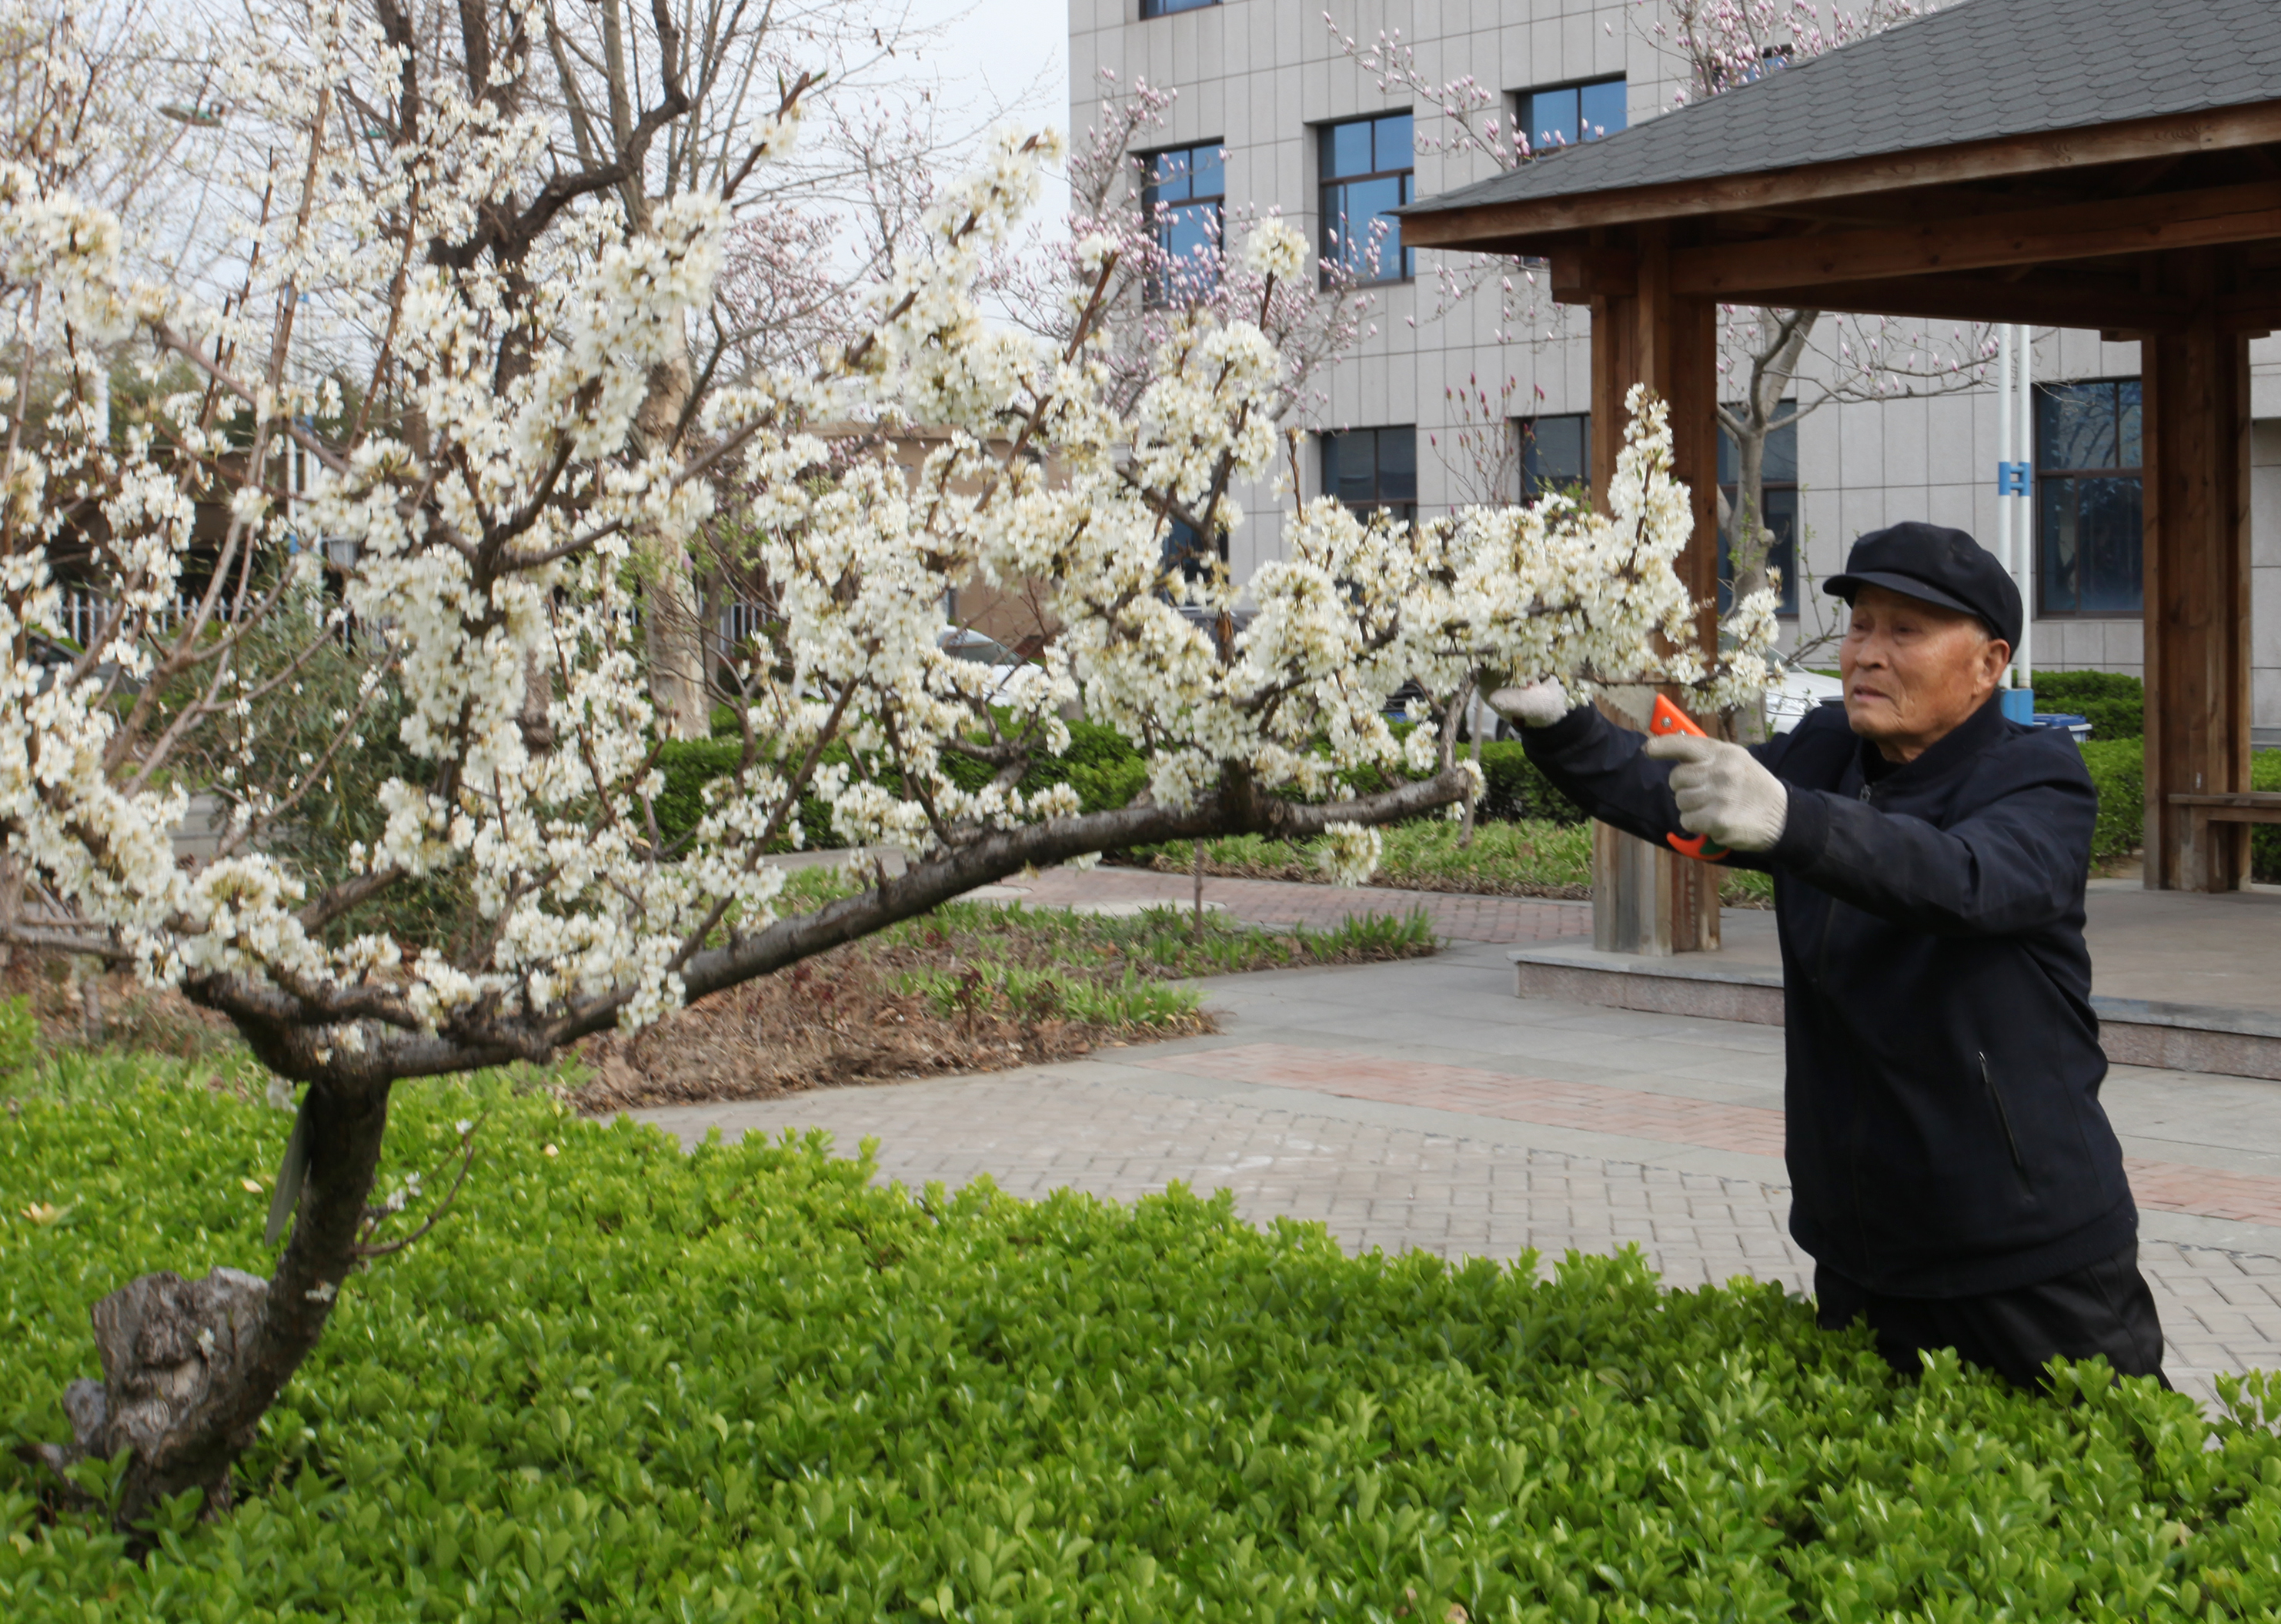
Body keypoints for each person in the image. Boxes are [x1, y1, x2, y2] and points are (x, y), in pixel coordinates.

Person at [1493, 521, 2166, 1392]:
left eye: (1906, 631)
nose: (1867, 655)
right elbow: (1671, 785)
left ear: (1990, 664)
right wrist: (1561, 721)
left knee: (2111, 1495)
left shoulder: (2038, 777)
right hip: (1863, 1244)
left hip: (2027, 1249)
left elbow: (1965, 878)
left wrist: (1793, 822)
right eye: (1860, 626)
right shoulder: (1822, 753)